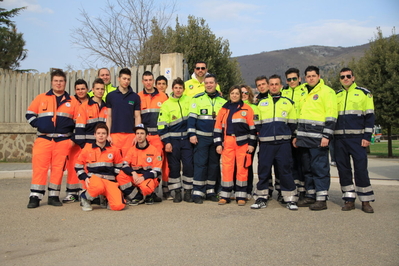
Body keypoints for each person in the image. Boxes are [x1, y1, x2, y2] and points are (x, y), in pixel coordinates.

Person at [26, 69, 80, 208]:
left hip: (63, 141)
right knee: (39, 167)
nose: (58, 83)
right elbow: (30, 113)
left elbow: (79, 122)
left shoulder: (72, 101)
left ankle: (53, 195)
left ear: (65, 83)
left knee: (58, 169)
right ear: (51, 82)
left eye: (61, 81)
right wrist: (39, 124)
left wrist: (72, 140)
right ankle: (35, 196)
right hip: (43, 139)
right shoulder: (41, 97)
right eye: (56, 81)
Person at [293, 66, 337, 211]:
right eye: (308, 76)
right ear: (305, 78)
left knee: (320, 168)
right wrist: (297, 135)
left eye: (313, 76)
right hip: (304, 138)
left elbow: (331, 115)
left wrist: (327, 136)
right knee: (307, 168)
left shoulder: (327, 92)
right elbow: (299, 115)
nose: (311, 78)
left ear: (319, 76)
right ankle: (310, 196)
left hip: (319, 138)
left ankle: (321, 198)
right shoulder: (303, 92)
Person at [251, 75, 299, 210]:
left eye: (276, 84)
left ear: (281, 86)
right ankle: (261, 198)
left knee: (285, 171)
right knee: (263, 171)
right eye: (271, 84)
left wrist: (285, 135)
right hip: (266, 144)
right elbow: (257, 123)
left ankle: (290, 199)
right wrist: (265, 135)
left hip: (283, 144)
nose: (273, 86)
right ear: (268, 86)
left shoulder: (288, 102)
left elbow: (292, 123)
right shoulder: (261, 103)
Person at [334, 67, 375, 213]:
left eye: (348, 76)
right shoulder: (336, 95)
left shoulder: (364, 93)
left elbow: (370, 117)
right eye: (342, 77)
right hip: (339, 139)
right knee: (344, 170)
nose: (345, 79)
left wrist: (367, 137)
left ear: (353, 77)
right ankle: (349, 199)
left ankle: (365, 201)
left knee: (361, 169)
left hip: (357, 139)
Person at [188, 73, 227, 204]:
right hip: (201, 138)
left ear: (216, 84)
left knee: (214, 165)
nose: (209, 85)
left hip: (216, 140)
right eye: (207, 83)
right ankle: (198, 192)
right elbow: (192, 119)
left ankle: (211, 191)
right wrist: (192, 134)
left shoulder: (223, 101)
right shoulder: (197, 99)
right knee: (200, 165)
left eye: (211, 83)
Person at [214, 85, 256, 206]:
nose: (234, 95)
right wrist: (218, 143)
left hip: (243, 143)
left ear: (240, 95)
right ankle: (225, 195)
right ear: (229, 94)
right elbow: (217, 128)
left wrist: (252, 144)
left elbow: (252, 129)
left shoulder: (247, 109)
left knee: (242, 169)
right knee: (227, 168)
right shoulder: (223, 109)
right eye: (232, 93)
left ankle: (241, 195)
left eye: (237, 93)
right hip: (227, 142)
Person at [158, 77, 194, 203]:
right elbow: (162, 126)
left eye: (180, 88)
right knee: (174, 167)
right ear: (172, 89)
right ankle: (177, 192)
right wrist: (167, 142)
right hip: (173, 141)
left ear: (183, 89)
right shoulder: (166, 104)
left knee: (189, 166)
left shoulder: (189, 101)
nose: (178, 90)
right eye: (176, 88)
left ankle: (188, 192)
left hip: (186, 140)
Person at [75, 124, 125, 211]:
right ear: (94, 135)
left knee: (118, 206)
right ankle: (84, 197)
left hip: (109, 181)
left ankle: (103, 198)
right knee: (99, 186)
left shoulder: (114, 149)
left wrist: (114, 176)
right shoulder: (87, 149)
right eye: (98, 133)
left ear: (107, 135)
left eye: (103, 133)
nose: (101, 135)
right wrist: (85, 177)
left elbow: (119, 165)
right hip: (95, 180)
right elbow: (78, 166)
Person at [138, 71, 168, 202]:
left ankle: (154, 191)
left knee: (157, 164)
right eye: (146, 80)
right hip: (144, 137)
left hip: (157, 136)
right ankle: (145, 190)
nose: (148, 82)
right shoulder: (138, 96)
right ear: (142, 81)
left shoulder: (163, 97)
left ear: (153, 81)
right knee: (144, 164)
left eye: (150, 80)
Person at [117, 125, 162, 205]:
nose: (139, 136)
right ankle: (137, 197)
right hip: (136, 176)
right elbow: (124, 164)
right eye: (137, 133)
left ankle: (149, 195)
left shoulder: (154, 150)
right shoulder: (131, 150)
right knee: (120, 176)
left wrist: (143, 177)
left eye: (142, 133)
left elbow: (157, 171)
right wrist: (133, 173)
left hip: (147, 177)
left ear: (146, 135)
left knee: (146, 187)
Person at [281, 68, 308, 200]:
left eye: (294, 79)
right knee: (288, 164)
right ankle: (292, 189)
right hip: (287, 132)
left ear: (299, 79)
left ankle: (303, 191)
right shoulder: (283, 92)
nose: (292, 81)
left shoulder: (305, 91)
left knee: (301, 163)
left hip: (301, 131)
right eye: (289, 79)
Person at [63, 79, 89, 203]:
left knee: (86, 166)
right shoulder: (70, 101)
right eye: (78, 89)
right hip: (73, 139)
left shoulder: (91, 102)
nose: (80, 91)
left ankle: (84, 190)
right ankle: (72, 192)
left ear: (87, 89)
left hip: (86, 140)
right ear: (74, 90)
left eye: (83, 89)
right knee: (72, 165)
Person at [106, 68, 141, 157]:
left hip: (130, 135)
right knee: (114, 161)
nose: (126, 81)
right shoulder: (110, 96)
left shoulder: (135, 97)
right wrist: (108, 134)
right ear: (119, 78)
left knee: (128, 162)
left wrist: (137, 135)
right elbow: (109, 116)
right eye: (124, 78)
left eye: (128, 79)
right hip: (114, 134)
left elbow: (137, 117)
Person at [240, 85, 260, 199]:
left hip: (249, 140)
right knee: (238, 166)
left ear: (250, 95)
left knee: (247, 165)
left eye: (246, 93)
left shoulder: (254, 108)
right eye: (241, 92)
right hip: (237, 141)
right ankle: (238, 189)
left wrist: (253, 142)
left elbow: (255, 126)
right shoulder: (235, 107)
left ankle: (248, 189)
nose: (243, 94)